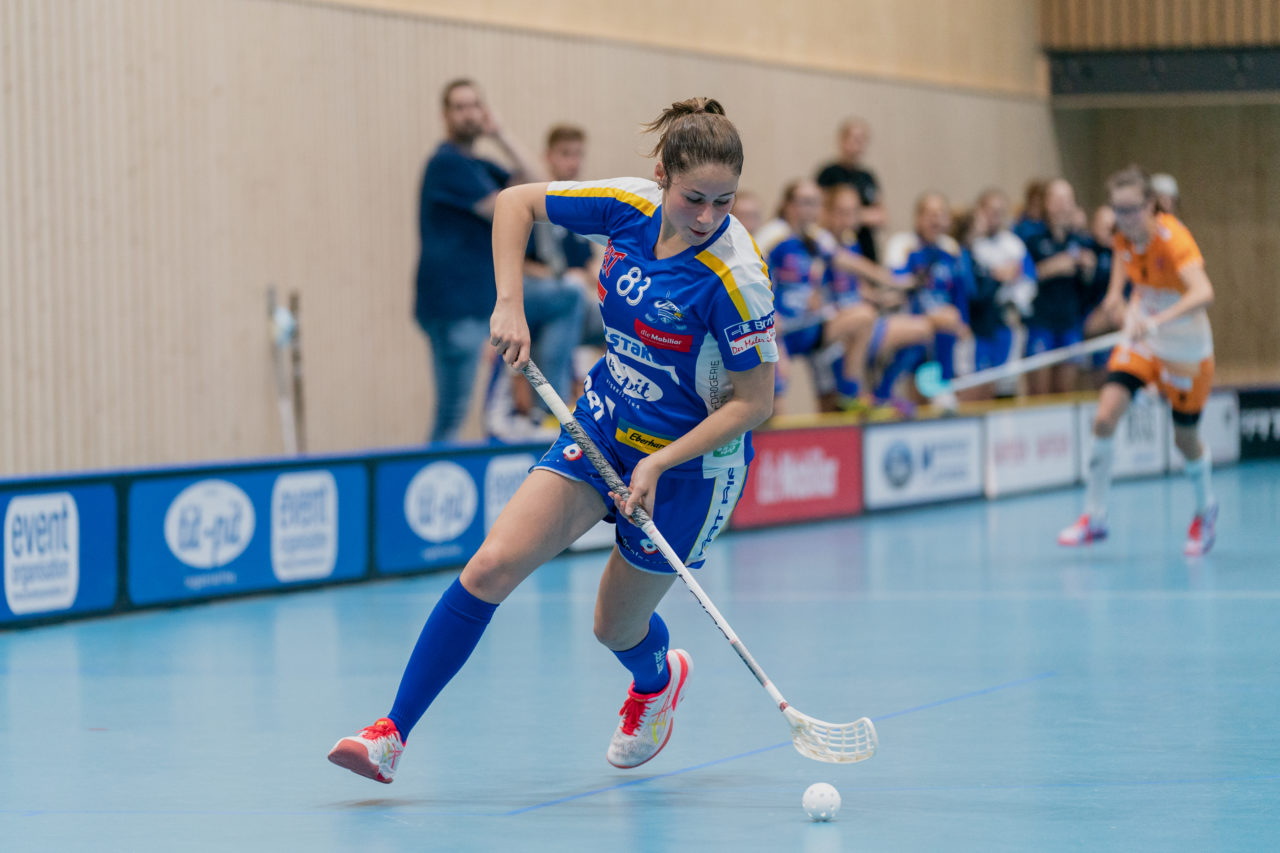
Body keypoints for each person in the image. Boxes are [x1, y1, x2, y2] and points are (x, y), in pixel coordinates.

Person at [329, 97, 778, 783]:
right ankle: (390, 732)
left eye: (725, 201)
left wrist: (660, 460)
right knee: (490, 567)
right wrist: (509, 301)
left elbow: (756, 401)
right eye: (694, 198)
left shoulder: (737, 278)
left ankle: (656, 679)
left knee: (613, 628)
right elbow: (515, 202)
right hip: (603, 421)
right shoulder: (627, 205)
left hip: (691, 467)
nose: (709, 217)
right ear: (661, 175)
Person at [1059, 165, 1218, 556]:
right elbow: (1122, 291)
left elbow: (1204, 293)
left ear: (1151, 205)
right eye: (1118, 209)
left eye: (1131, 210)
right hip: (1144, 343)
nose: (1124, 219)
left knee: (1185, 440)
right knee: (1104, 417)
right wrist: (1122, 310)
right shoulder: (1121, 238)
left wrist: (1156, 321)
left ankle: (1206, 509)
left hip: (1185, 349)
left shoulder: (1174, 240)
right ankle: (1094, 517)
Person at [415, 79, 539, 442]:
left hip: (475, 303)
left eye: (474, 105)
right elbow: (508, 210)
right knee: (452, 413)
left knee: (565, 298)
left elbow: (542, 184)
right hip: (455, 308)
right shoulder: (446, 164)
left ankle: (544, 408)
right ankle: (430, 486)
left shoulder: (480, 166)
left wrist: (503, 135)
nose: (468, 113)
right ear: (445, 115)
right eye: (459, 106)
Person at [486, 124, 592, 440]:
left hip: (570, 302)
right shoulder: (532, 198)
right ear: (548, 157)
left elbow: (586, 263)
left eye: (578, 156)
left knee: (619, 313)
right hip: (531, 294)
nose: (573, 163)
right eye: (565, 154)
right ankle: (549, 407)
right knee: (571, 293)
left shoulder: (582, 207)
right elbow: (514, 262)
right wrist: (563, 278)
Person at [1021, 178, 1095, 396]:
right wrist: (1053, 267)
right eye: (1059, 199)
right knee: (1039, 392)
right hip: (1041, 322)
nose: (1064, 205)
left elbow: (1088, 288)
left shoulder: (1081, 241)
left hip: (1069, 322)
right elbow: (1022, 277)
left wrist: (1088, 271)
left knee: (1064, 391)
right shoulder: (1032, 238)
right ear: (1047, 203)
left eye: (1068, 199)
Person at [964, 189, 1036, 400]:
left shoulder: (1014, 245)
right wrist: (998, 276)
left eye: (1000, 212)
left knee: (1005, 382)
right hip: (978, 324)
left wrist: (1016, 306)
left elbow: (1029, 280)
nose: (994, 217)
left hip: (1006, 321)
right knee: (978, 381)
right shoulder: (972, 245)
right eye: (990, 211)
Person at [814, 117, 885, 262]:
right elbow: (818, 213)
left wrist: (851, 216)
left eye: (862, 140)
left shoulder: (867, 177)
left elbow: (881, 216)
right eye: (854, 139)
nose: (857, 145)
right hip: (837, 247)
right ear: (842, 140)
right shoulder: (828, 174)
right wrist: (862, 216)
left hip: (865, 247)